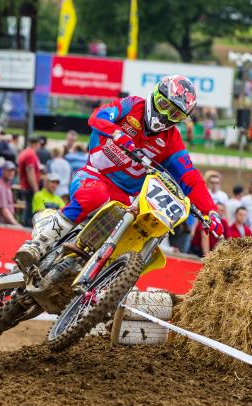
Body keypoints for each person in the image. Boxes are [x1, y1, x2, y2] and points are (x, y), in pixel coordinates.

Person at [15, 75, 221, 270]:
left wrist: (210, 211)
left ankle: (105, 280)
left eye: (175, 114)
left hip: (126, 197)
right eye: (164, 106)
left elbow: (190, 176)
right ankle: (40, 242)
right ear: (155, 96)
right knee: (94, 195)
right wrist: (117, 133)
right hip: (94, 175)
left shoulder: (172, 139)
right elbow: (98, 116)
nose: (166, 116)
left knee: (142, 228)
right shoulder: (132, 105)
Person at [17, 136, 42, 227]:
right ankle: (26, 227)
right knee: (30, 209)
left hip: (25, 185)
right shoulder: (30, 154)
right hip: (29, 186)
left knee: (28, 207)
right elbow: (30, 172)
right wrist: (36, 190)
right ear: (36, 144)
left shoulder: (25, 152)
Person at [0, 161, 20, 226]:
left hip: (5, 222)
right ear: (2, 171)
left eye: (13, 170)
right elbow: (4, 211)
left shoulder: (6, 184)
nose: (11, 173)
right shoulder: (0, 187)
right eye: (8, 170)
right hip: (1, 224)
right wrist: (17, 225)